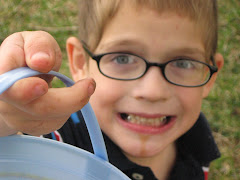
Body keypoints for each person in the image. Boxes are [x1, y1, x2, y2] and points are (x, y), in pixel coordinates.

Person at [0, 0, 224, 179]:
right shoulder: (53, 139)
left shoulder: (196, 144)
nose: (154, 91)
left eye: (183, 63)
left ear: (210, 76)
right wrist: (7, 118)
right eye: (123, 58)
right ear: (80, 62)